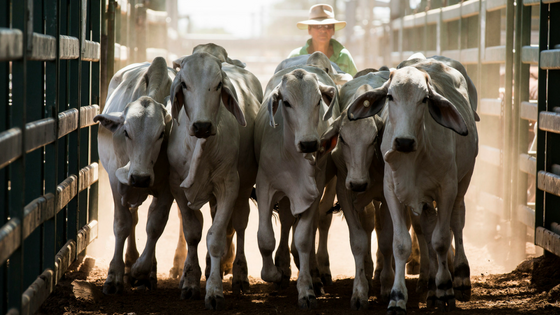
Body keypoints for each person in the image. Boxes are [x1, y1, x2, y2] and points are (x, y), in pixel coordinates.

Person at [288, 4, 358, 76]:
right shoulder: (296, 56)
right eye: (318, 26)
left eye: (328, 26)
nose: (323, 30)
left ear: (333, 30)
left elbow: (356, 84)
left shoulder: (344, 57)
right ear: (309, 29)